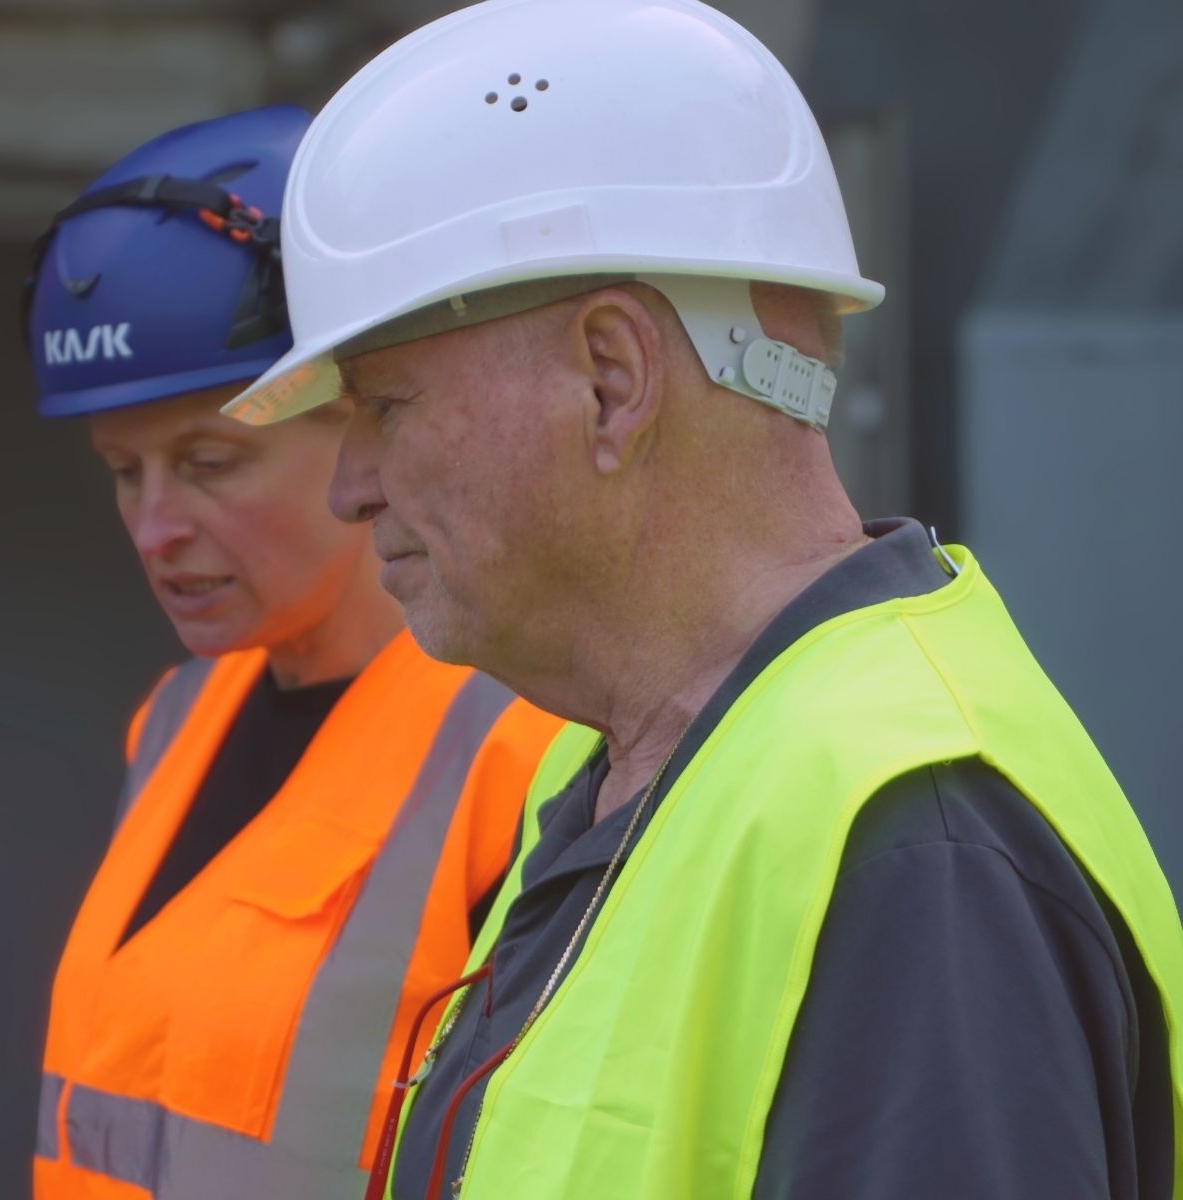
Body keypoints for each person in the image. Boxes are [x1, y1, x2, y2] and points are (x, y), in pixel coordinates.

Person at [222, 2, 1183, 1197]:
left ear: (612, 378)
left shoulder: (914, 852)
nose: (350, 485)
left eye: (385, 403)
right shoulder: (626, 778)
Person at [23, 105, 564, 1199]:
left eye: (209, 461)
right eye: (125, 471)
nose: (153, 526)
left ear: (365, 424)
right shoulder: (177, 718)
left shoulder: (529, 756)